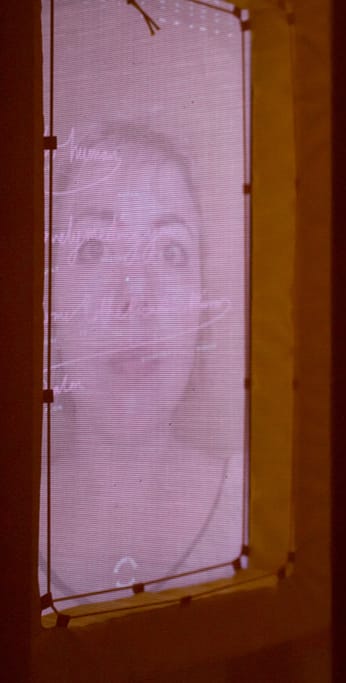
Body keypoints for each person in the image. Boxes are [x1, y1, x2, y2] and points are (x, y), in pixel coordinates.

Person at [41, 122, 243, 606]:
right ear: (49, 302)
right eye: (93, 248)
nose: (135, 297)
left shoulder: (258, 504)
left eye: (171, 251)